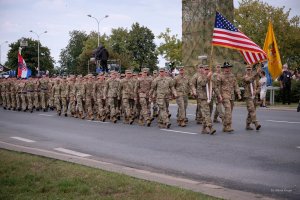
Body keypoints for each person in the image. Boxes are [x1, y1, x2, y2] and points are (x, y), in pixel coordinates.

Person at [216, 62, 241, 133]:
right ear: (223, 69)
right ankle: (228, 126)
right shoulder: (220, 76)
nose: (227, 69)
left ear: (230, 68)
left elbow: (236, 85)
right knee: (228, 110)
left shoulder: (232, 76)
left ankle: (225, 126)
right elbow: (217, 86)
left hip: (232, 95)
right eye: (225, 68)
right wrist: (219, 95)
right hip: (224, 95)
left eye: (228, 68)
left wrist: (238, 93)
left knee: (229, 111)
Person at [242, 65, 261, 131]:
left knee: (251, 111)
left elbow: (259, 86)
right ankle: (256, 123)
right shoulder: (245, 77)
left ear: (251, 70)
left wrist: (257, 91)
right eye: (247, 69)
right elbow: (249, 80)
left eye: (250, 69)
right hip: (248, 96)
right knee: (252, 109)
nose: (249, 71)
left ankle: (247, 124)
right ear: (246, 70)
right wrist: (256, 73)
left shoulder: (256, 77)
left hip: (254, 96)